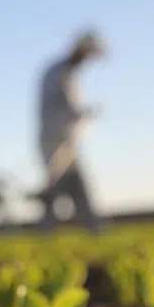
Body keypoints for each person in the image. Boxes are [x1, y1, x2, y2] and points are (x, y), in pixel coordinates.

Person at [35, 29, 106, 232]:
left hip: (68, 142)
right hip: (53, 142)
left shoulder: (69, 74)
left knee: (79, 186)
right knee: (55, 188)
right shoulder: (57, 73)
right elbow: (61, 109)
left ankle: (93, 228)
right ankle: (46, 232)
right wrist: (86, 113)